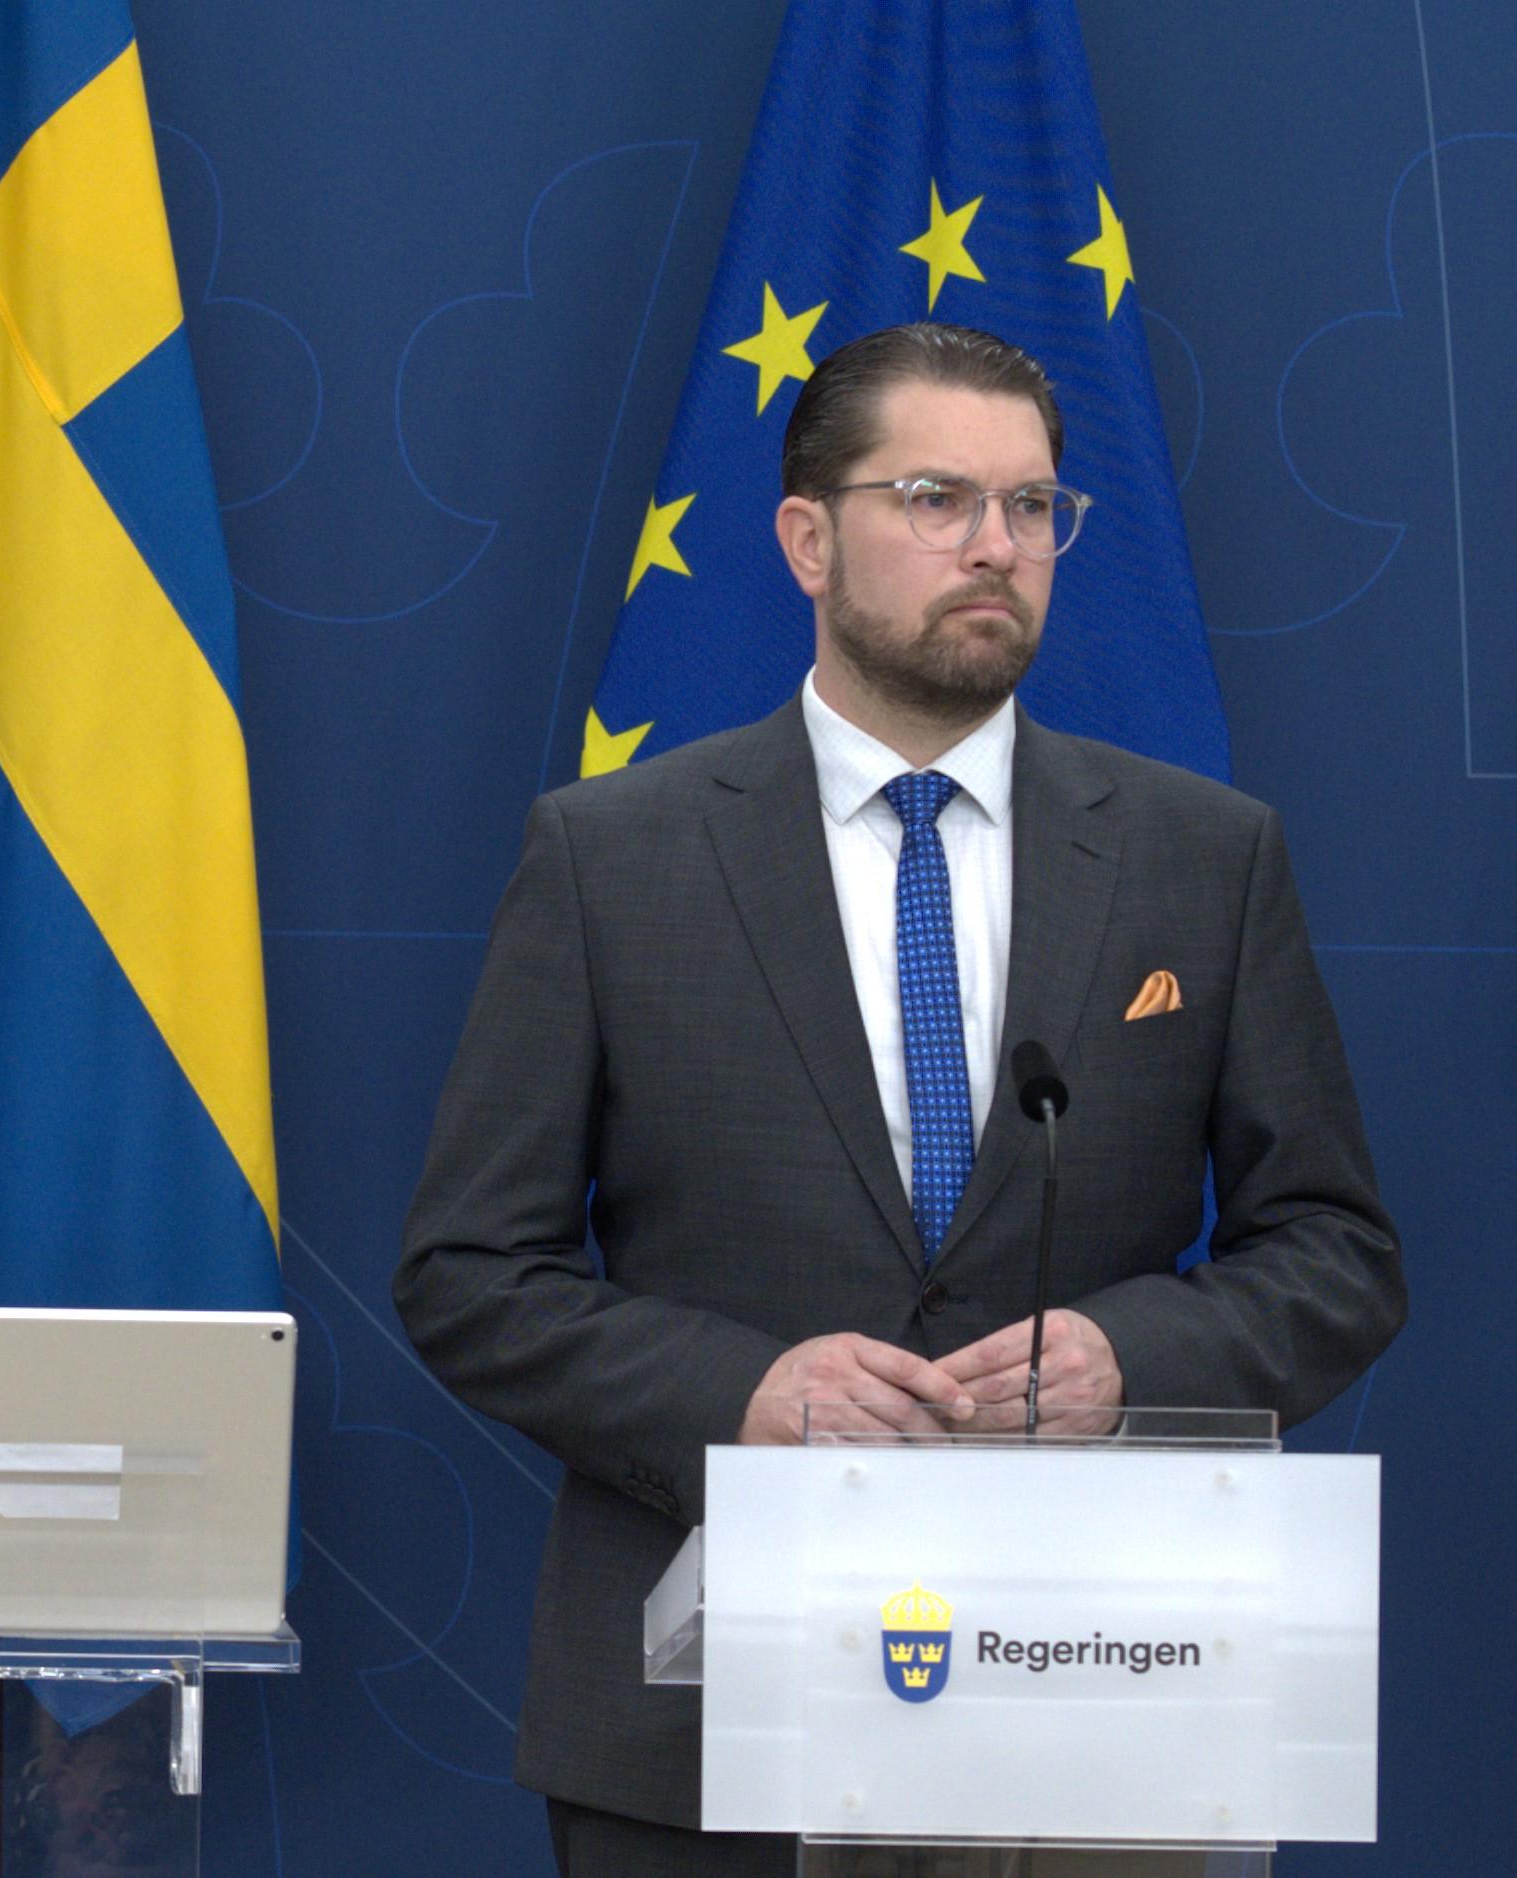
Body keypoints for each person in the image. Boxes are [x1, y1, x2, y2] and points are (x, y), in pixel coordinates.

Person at [395, 322, 1405, 1875]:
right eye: (936, 498)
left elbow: (1336, 1252)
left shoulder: (1204, 861)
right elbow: (469, 1273)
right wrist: (747, 1395)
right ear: (808, 537)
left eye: (1032, 507)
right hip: (705, 1728)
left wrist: (1124, 1363)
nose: (995, 546)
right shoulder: (614, 858)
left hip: (1096, 1706)